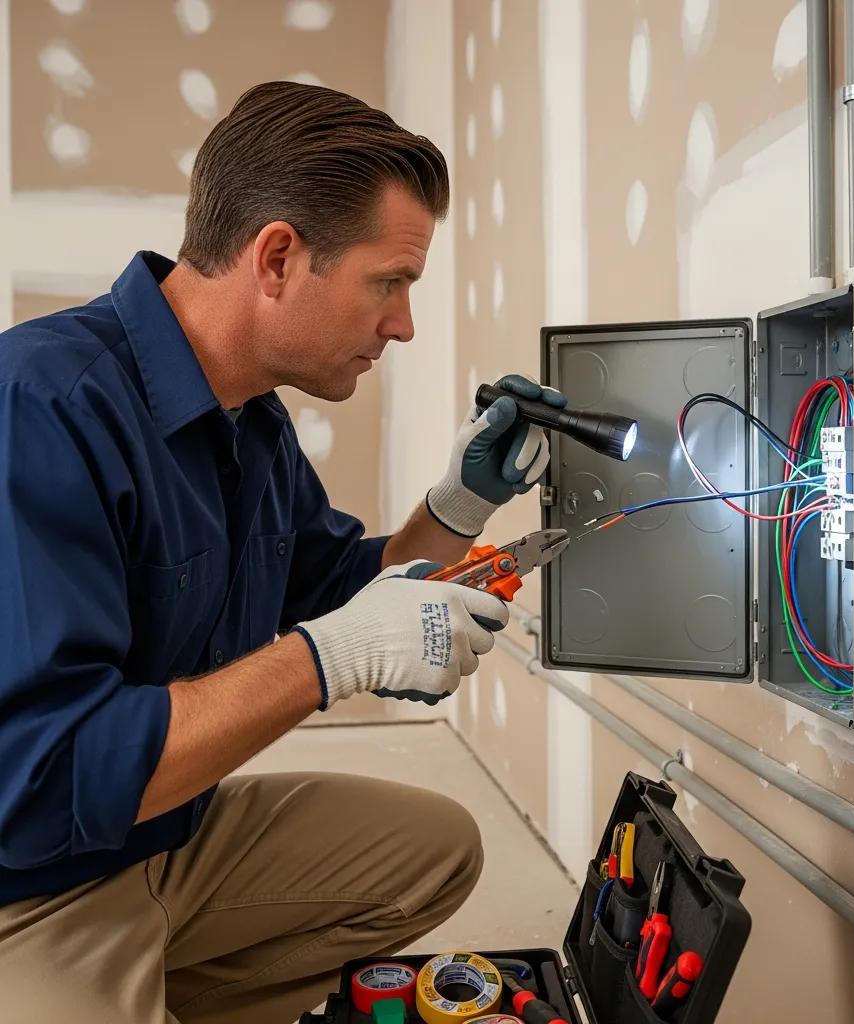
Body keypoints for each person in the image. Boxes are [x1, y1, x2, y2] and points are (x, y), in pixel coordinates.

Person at [0, 81, 566, 1024]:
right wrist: (329, 659)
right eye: (390, 283)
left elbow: (349, 591)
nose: (403, 325)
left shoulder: (250, 423)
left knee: (435, 851)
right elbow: (47, 772)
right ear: (277, 257)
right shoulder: (42, 409)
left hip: (167, 839)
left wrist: (461, 502)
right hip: (29, 886)